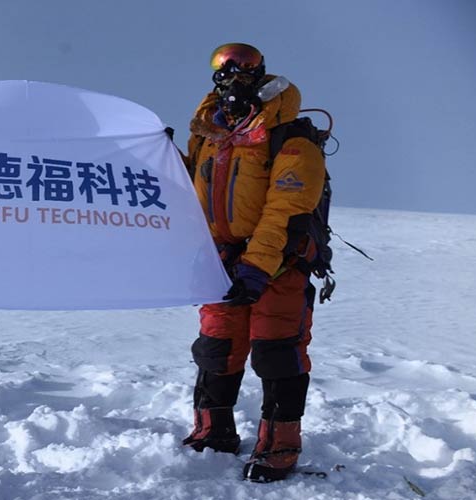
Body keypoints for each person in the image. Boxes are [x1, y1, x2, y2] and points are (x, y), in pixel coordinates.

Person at [179, 43, 326, 483]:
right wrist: (161, 158)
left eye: (242, 63)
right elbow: (191, 187)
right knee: (217, 346)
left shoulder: (290, 136)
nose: (231, 73)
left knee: (276, 350)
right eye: (222, 64)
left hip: (279, 261)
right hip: (221, 260)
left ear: (261, 71)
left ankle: (280, 444)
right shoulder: (209, 134)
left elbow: (288, 208)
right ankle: (214, 431)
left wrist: (258, 266)